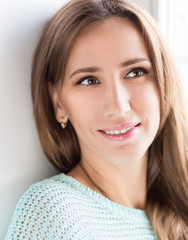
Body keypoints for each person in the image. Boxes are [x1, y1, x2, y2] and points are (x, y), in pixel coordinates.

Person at [5, 0, 188, 239]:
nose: (118, 107)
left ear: (164, 82)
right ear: (58, 103)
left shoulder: (178, 205)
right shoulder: (54, 214)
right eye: (89, 80)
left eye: (135, 72)